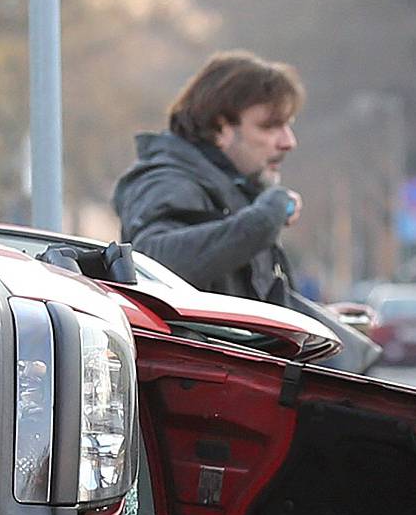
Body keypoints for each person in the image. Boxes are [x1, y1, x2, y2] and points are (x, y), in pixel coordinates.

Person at [113, 52, 378, 372]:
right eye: (270, 126)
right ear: (220, 129)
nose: (288, 142)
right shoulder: (167, 181)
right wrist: (266, 216)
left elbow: (236, 301)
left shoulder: (230, 188)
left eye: (288, 126)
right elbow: (154, 261)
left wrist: (321, 320)